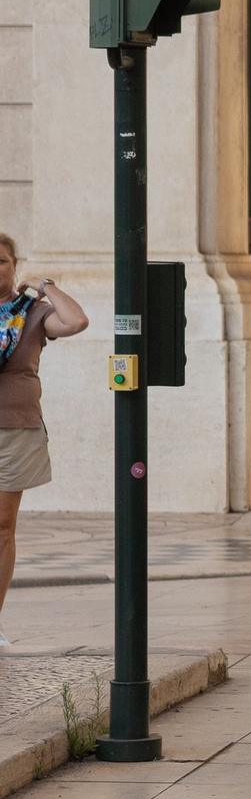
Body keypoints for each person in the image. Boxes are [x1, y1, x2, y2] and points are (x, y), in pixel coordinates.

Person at [0, 235, 87, 640]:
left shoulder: (32, 312)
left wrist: (45, 285)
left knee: (3, 527)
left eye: (1, 261)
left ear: (14, 266)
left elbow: (76, 321)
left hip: (15, 430)